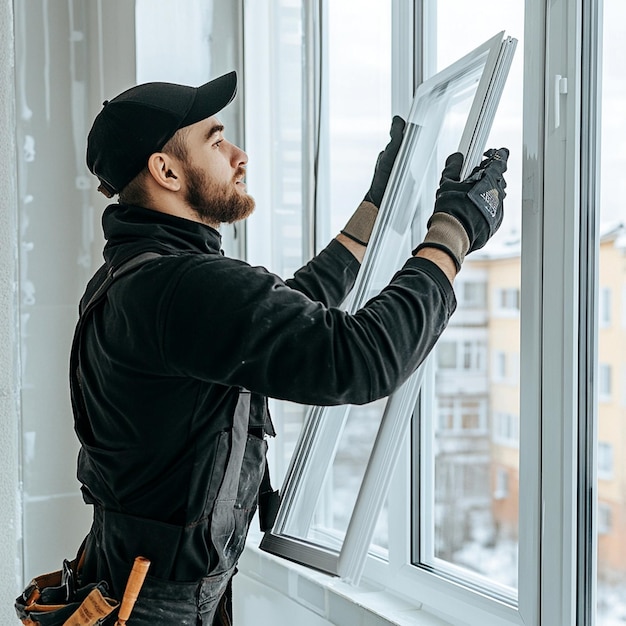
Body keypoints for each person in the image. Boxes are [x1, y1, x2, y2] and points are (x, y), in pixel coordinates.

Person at [74, 70, 508, 625]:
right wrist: (454, 230)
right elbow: (358, 359)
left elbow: (278, 315)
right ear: (166, 171)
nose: (238, 155)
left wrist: (376, 206)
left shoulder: (134, 278)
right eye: (214, 140)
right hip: (158, 609)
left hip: (133, 590)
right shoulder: (179, 287)